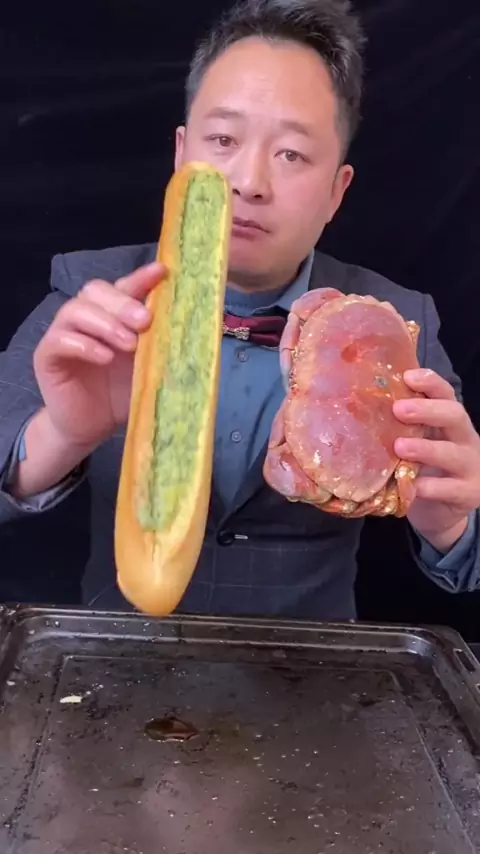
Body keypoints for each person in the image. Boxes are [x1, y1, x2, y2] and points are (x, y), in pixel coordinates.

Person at [1, 0, 479, 617]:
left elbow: (469, 558)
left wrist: (453, 523)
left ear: (337, 191)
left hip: (310, 664)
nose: (249, 182)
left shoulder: (393, 325)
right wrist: (63, 434)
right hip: (116, 658)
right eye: (224, 139)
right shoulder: (89, 292)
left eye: (292, 154)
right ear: (182, 154)